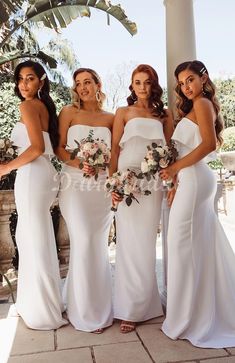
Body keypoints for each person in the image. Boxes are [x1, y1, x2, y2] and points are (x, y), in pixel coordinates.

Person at [160, 60, 235, 348]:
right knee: (193, 245)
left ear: (203, 79)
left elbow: (209, 145)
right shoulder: (193, 107)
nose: (186, 86)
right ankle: (196, 310)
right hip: (189, 182)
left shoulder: (203, 103)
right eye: (182, 82)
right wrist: (175, 182)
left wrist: (175, 168)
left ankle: (188, 319)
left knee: (181, 246)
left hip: (196, 179)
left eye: (190, 79)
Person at [0, 60, 67, 330]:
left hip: (32, 174)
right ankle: (38, 302)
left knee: (31, 236)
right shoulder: (46, 108)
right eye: (20, 79)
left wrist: (6, 167)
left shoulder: (28, 106)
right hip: (44, 174)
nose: (23, 84)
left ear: (41, 80)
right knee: (34, 235)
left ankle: (42, 309)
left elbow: (37, 148)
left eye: (29, 78)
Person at [110, 64, 174, 333]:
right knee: (128, 242)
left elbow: (170, 151)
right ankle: (128, 306)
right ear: (132, 85)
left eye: (147, 82)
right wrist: (112, 183)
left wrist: (170, 182)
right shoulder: (122, 112)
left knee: (146, 242)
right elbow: (114, 149)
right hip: (126, 180)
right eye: (137, 82)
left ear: (154, 85)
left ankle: (143, 306)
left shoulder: (164, 114)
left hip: (152, 183)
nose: (142, 87)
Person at [56, 68, 114, 333]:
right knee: (84, 240)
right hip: (74, 184)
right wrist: (80, 162)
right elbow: (58, 148)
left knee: (97, 243)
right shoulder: (68, 112)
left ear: (97, 84)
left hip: (101, 187)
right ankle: (83, 311)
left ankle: (98, 304)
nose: (82, 88)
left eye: (87, 82)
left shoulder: (112, 118)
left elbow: (115, 154)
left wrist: (109, 175)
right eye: (78, 84)